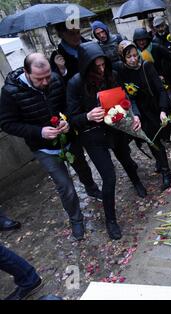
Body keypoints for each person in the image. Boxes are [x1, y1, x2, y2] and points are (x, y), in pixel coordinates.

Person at [66, 42, 148, 240]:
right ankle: (110, 220)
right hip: (92, 136)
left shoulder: (113, 75)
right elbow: (72, 118)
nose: (101, 70)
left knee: (127, 160)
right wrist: (87, 116)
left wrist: (133, 114)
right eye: (97, 67)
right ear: (87, 66)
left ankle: (136, 181)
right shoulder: (75, 83)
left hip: (116, 128)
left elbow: (125, 97)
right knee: (109, 177)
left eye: (104, 65)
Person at [0, 53, 85, 240]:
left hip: (68, 138)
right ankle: (76, 219)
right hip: (43, 148)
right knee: (66, 187)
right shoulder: (10, 92)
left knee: (83, 168)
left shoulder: (55, 79)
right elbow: (6, 123)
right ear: (26, 72)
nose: (46, 82)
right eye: (40, 79)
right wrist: (39, 132)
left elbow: (68, 105)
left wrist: (67, 121)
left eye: (48, 76)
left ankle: (92, 188)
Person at [48, 23, 102, 200]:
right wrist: (62, 70)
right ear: (62, 35)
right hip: (73, 109)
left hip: (93, 99)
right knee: (78, 154)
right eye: (72, 34)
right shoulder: (57, 57)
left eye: (78, 32)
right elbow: (55, 86)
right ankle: (90, 185)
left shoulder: (86, 46)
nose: (77, 36)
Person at [117, 40, 171, 191]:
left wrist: (163, 109)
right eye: (129, 57)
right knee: (150, 141)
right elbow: (128, 97)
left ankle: (166, 172)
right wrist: (134, 114)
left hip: (154, 108)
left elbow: (160, 90)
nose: (134, 59)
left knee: (156, 141)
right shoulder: (122, 72)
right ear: (123, 58)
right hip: (140, 113)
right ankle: (161, 163)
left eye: (135, 55)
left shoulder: (147, 66)